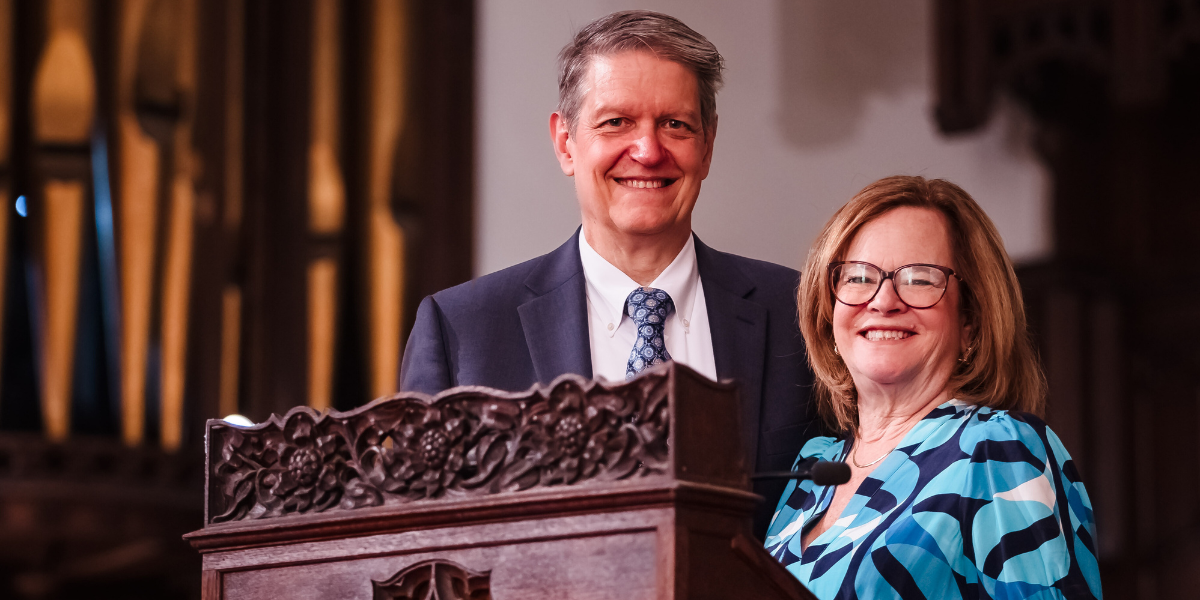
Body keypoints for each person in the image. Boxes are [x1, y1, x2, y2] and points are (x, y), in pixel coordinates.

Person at [399, 10, 819, 539]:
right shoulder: (461, 329)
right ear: (565, 142)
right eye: (616, 122)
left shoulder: (800, 312)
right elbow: (416, 545)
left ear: (708, 145)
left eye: (675, 124)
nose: (648, 151)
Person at [765, 176, 1102, 599]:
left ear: (970, 322)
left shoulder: (996, 449)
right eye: (858, 277)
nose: (883, 301)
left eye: (919, 279)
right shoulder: (811, 469)